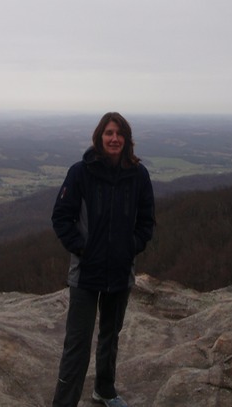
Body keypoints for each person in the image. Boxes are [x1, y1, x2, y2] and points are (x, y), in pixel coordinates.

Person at [51, 112, 156, 407]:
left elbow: (147, 221)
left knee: (111, 335)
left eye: (119, 133)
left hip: (120, 271)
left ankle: (105, 390)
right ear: (99, 137)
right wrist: (82, 249)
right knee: (77, 343)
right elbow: (61, 217)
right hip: (85, 272)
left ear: (127, 140)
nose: (114, 138)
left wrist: (130, 247)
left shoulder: (138, 175)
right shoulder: (80, 172)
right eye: (109, 133)